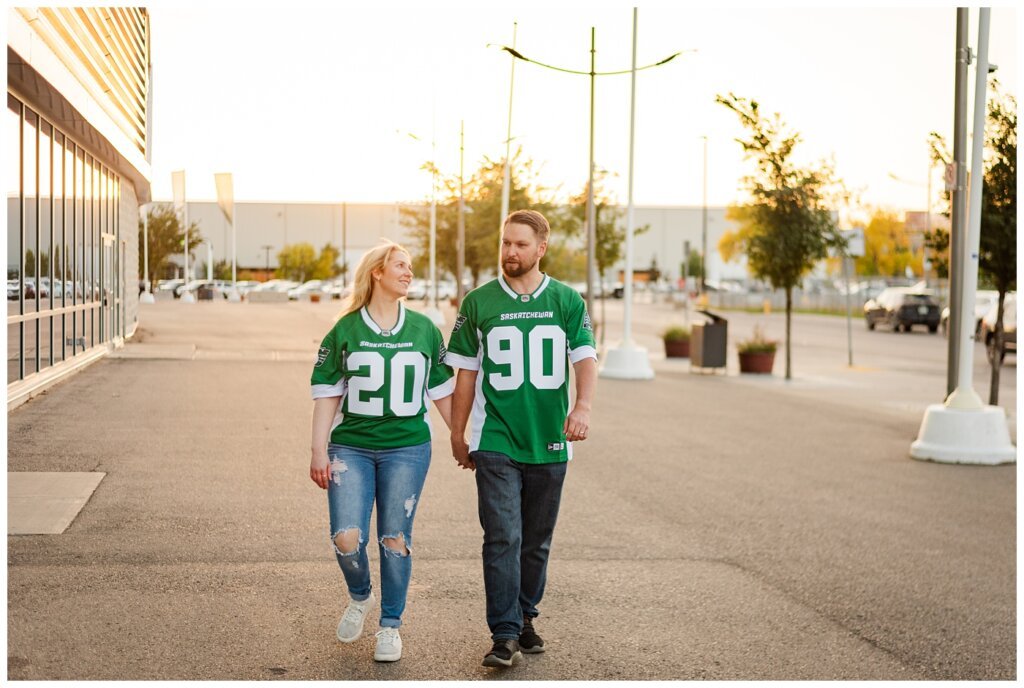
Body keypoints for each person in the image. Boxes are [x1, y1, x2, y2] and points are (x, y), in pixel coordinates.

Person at [446, 209, 598, 668]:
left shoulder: (568, 301)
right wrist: (458, 432)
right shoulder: (478, 302)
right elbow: (466, 374)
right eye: (506, 243)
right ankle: (504, 633)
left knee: (536, 540)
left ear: (541, 249)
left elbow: (585, 359)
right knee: (501, 536)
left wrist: (583, 407)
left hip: (550, 438)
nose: (510, 252)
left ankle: (526, 615)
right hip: (496, 438)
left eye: (520, 245)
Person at [309, 240, 454, 663]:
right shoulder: (345, 330)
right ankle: (361, 596)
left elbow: (442, 393)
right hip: (350, 448)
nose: (408, 273)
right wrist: (318, 450)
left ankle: (390, 625)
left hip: (407, 449)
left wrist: (464, 439)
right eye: (400, 266)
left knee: (395, 539)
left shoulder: (425, 329)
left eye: (410, 267)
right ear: (377, 272)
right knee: (346, 538)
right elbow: (326, 396)